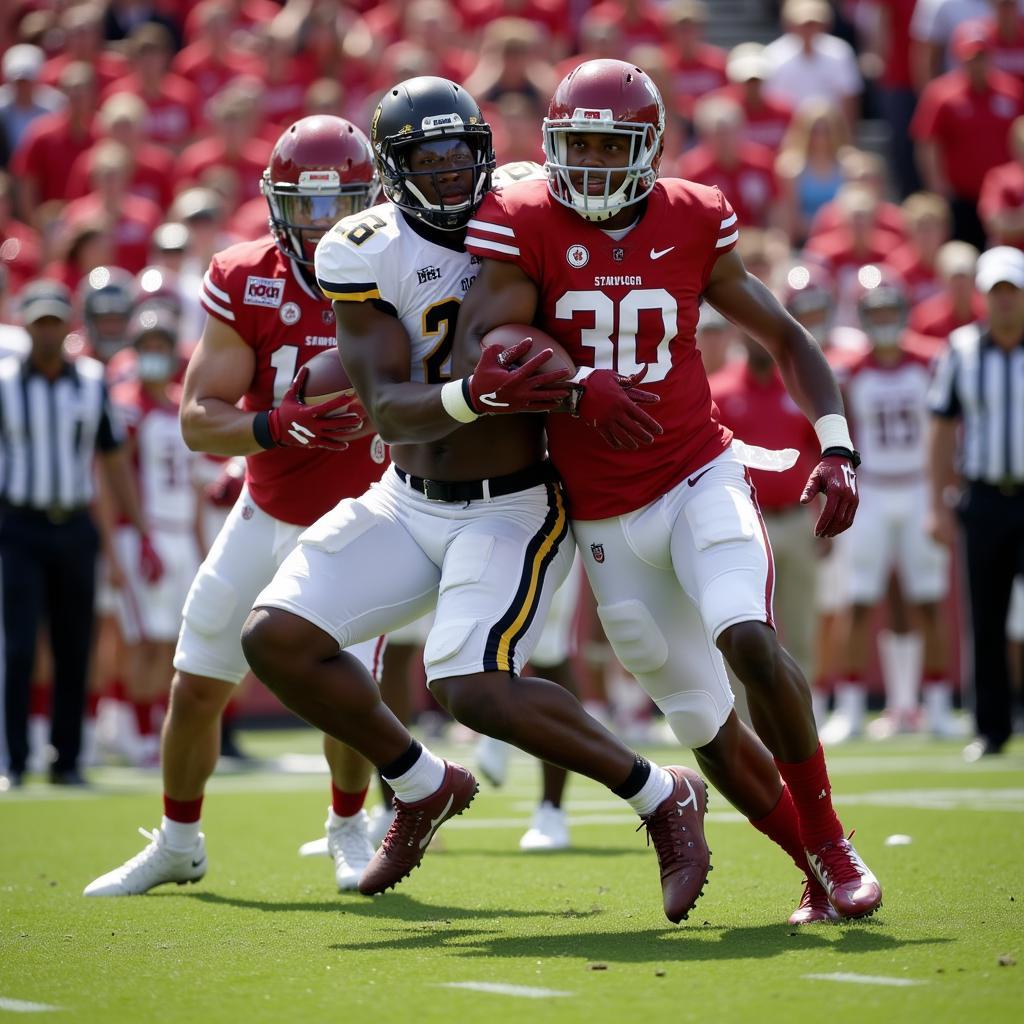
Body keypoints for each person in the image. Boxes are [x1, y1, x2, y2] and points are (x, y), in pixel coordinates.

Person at [242, 76, 710, 924]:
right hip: (408, 492)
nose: (453, 171)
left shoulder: (534, 207)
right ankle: (421, 785)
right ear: (392, 167)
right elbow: (385, 406)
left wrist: (568, 387)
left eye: (463, 152)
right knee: (274, 637)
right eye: (430, 157)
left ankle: (659, 793)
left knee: (467, 682)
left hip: (515, 501)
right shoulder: (362, 245)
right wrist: (475, 392)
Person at [457, 59, 882, 923]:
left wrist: (836, 445)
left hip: (697, 471)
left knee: (751, 640)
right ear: (551, 146)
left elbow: (785, 336)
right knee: (704, 725)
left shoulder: (694, 215)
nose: (594, 166)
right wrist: (573, 383)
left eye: (612, 148)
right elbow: (482, 341)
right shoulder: (525, 216)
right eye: (577, 146)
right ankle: (809, 866)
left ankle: (835, 847)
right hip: (604, 514)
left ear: (648, 149)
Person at [82, 116, 392, 897]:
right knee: (196, 682)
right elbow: (196, 418)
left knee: (346, 691)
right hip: (265, 507)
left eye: (340, 204)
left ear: (371, 200)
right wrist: (275, 424)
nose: (322, 224)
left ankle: (349, 826)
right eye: (305, 205)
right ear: (275, 203)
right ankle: (180, 840)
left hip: (362, 518)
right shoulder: (245, 272)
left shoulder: (401, 268)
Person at [0, 280, 158, 788]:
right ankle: (14, 758)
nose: (47, 331)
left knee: (75, 645)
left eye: (54, 321)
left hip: (74, 525)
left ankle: (66, 760)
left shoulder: (91, 381)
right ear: (25, 325)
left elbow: (112, 459)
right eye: (39, 322)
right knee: (20, 646)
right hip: (19, 524)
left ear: (69, 324)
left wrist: (138, 525)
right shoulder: (4, 384)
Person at [823, 271, 956, 743]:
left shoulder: (931, 361)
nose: (883, 321)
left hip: (919, 485)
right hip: (873, 487)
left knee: (928, 599)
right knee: (857, 600)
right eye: (874, 313)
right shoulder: (850, 368)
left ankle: (937, 704)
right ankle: (852, 706)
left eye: (889, 312)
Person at [928, 245, 1024, 761]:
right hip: (983, 496)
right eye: (996, 293)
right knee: (984, 616)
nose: (1004, 302)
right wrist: (937, 504)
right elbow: (941, 429)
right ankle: (991, 728)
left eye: (1012, 291)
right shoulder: (961, 350)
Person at [110, 308, 201, 765]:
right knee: (143, 640)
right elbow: (113, 474)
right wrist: (137, 535)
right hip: (144, 531)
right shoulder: (126, 405)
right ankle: (138, 732)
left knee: (172, 642)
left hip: (180, 530)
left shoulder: (177, 403)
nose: (154, 357)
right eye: (146, 348)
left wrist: (201, 543)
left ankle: (155, 730)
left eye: (161, 348)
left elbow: (196, 485)